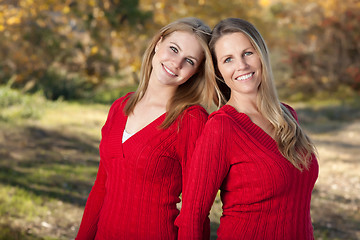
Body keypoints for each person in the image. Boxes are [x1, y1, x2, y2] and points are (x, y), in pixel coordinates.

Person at [75, 17, 221, 240]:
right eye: (173, 49)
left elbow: (195, 211)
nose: (176, 63)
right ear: (158, 44)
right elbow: (101, 188)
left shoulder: (191, 120)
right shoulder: (119, 107)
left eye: (189, 61)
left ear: (196, 71)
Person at [175, 18, 319, 240]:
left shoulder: (287, 116)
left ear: (261, 54)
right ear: (219, 71)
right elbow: (192, 216)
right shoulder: (221, 127)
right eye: (228, 59)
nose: (241, 65)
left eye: (248, 53)